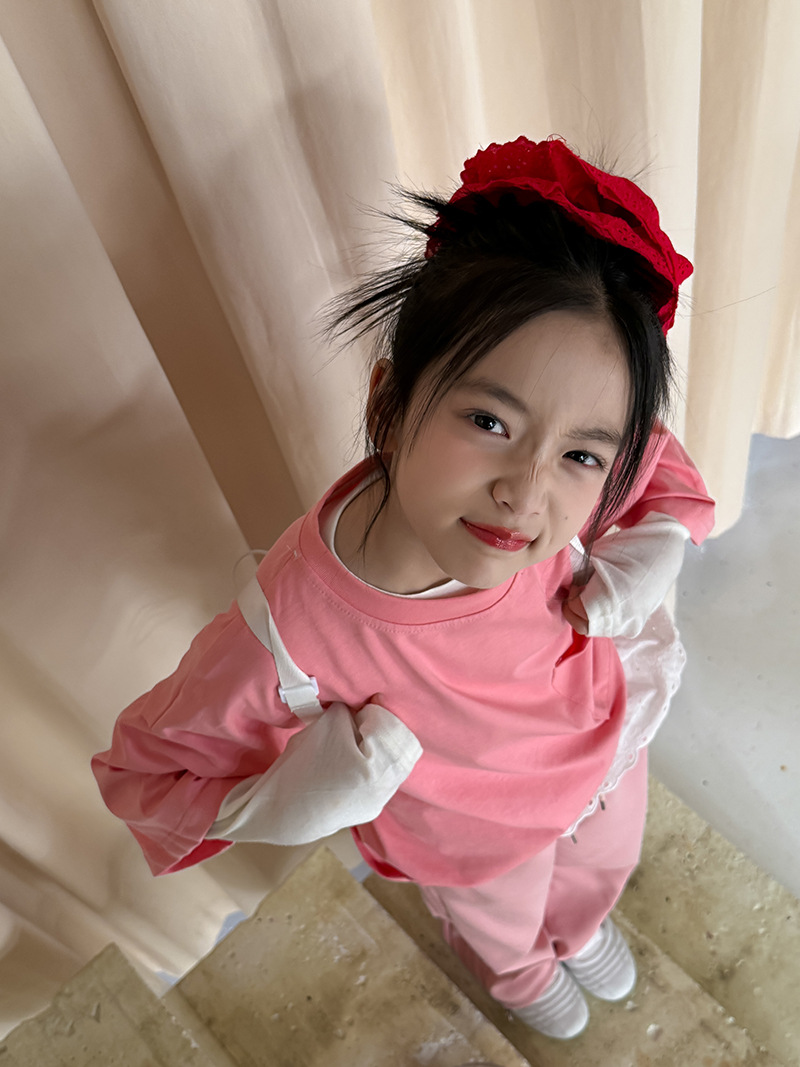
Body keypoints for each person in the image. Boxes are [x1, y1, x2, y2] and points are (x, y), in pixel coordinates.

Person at [93, 136, 714, 1040]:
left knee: (602, 861)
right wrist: (269, 802)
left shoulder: (563, 481)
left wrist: (660, 533)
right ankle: (520, 969)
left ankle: (579, 926)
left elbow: (649, 455)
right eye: (489, 420)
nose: (527, 493)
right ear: (388, 403)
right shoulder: (293, 630)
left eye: (580, 454)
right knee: (505, 921)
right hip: (475, 838)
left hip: (603, 744)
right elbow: (142, 775)